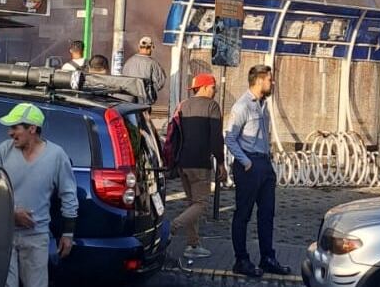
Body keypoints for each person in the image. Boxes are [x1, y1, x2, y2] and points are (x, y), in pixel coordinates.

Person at [0, 103, 78, 287]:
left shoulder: (56, 156)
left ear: (32, 128)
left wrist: (68, 234)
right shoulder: (4, 151)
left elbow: (68, 195)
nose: (10, 133)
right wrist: (12, 214)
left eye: (15, 127)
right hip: (4, 235)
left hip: (36, 237)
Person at [225, 64, 289, 278]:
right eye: (270, 79)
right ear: (260, 80)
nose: (273, 83)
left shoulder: (263, 105)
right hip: (249, 165)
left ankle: (267, 258)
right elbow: (230, 138)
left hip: (264, 164)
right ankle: (241, 260)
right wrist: (245, 161)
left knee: (267, 213)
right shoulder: (242, 106)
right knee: (243, 214)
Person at [171, 73, 227, 259]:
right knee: (201, 204)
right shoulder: (212, 106)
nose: (215, 90)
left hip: (182, 163)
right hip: (200, 163)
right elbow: (216, 138)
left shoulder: (183, 105)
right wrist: (221, 163)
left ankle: (193, 245)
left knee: (192, 204)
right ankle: (173, 226)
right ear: (203, 88)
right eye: (213, 87)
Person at [122, 35, 166, 103]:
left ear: (139, 47)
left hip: (128, 101)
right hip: (144, 102)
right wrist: (150, 91)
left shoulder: (128, 61)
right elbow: (160, 82)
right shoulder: (152, 63)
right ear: (151, 48)